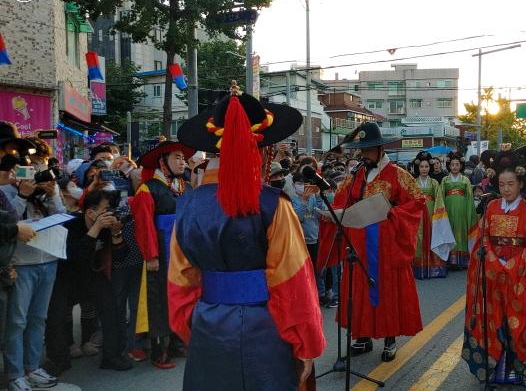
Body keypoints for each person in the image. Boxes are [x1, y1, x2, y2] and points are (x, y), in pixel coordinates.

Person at [168, 84, 324, 390]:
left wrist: (197, 327)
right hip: (266, 331)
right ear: (261, 151)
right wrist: (307, 344)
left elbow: (180, 284)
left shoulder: (187, 204)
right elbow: (293, 284)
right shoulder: (273, 204)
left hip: (208, 328)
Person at [318, 121, 425, 363]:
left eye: (368, 149)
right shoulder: (355, 175)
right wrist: (329, 211)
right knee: (359, 288)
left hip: (386, 243)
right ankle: (363, 335)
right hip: (358, 241)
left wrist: (393, 214)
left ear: (379, 149)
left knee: (387, 288)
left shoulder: (399, 175)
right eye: (361, 150)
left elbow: (417, 203)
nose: (363, 154)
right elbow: (341, 201)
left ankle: (389, 338)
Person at [462, 148, 526, 387]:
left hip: (522, 274)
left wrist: (515, 263)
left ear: (520, 184)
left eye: (511, 184)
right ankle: (496, 367)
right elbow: (483, 237)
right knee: (494, 318)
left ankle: (525, 367)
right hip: (494, 272)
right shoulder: (492, 207)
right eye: (502, 184)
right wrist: (495, 262)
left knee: (522, 317)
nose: (506, 189)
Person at [45, 190, 133, 375]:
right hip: (65, 275)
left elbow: (121, 255)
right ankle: (58, 359)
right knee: (56, 316)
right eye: (106, 209)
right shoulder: (70, 225)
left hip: (92, 275)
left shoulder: (108, 226)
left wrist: (116, 233)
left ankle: (112, 356)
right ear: (90, 213)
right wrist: (96, 229)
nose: (110, 213)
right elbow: (75, 256)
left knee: (111, 308)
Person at [1, 135, 65, 391]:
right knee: (17, 321)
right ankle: (15, 373)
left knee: (38, 318)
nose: (38, 169)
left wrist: (50, 195)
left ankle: (33, 367)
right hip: (21, 262)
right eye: (34, 162)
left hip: (48, 258)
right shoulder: (6, 188)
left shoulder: (48, 183)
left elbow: (61, 215)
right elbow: (8, 225)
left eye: (42, 162)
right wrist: (23, 195)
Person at [131, 140, 195, 369]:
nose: (182, 162)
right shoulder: (148, 189)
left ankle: (178, 342)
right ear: (162, 161)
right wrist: (151, 256)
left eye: (183, 158)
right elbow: (144, 225)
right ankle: (160, 351)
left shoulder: (184, 187)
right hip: (161, 254)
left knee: (180, 296)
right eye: (177, 157)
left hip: (182, 254)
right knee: (158, 300)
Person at [411, 151, 455, 279]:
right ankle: (419, 269)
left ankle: (434, 267)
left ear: (429, 168)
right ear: (417, 168)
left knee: (432, 237)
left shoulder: (435, 183)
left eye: (426, 167)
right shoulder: (413, 182)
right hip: (418, 214)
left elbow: (439, 200)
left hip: (432, 214)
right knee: (419, 239)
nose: (424, 169)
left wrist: (437, 214)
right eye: (421, 167)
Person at [440, 152, 478, 268]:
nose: (455, 167)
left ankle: (461, 261)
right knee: (449, 231)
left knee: (461, 231)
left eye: (457, 164)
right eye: (452, 164)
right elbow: (441, 197)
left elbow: (469, 197)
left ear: (461, 166)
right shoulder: (445, 180)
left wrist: (469, 212)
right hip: (448, 208)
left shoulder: (465, 180)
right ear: (449, 166)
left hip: (462, 208)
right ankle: (449, 260)